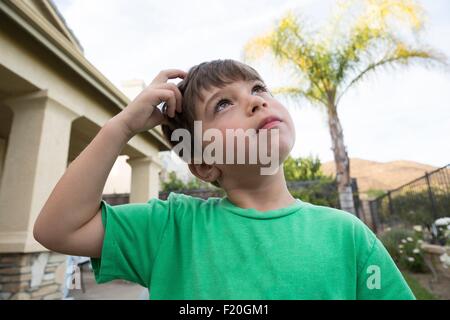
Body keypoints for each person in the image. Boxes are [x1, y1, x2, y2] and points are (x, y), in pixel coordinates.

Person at [34, 59, 415, 300]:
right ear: (203, 165)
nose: (256, 101)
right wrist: (122, 126)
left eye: (258, 88)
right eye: (223, 103)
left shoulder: (348, 235)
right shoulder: (172, 228)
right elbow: (56, 229)